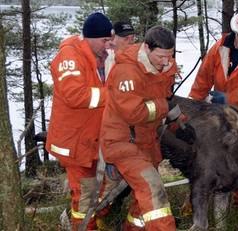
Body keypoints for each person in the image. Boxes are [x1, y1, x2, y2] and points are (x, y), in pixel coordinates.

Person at [100, 26, 183, 231]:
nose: (166, 61)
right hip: (123, 142)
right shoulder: (126, 71)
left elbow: (165, 100)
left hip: (146, 141)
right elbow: (134, 112)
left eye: (170, 56)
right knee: (153, 189)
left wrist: (178, 121)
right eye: (161, 56)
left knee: (142, 201)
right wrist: (164, 106)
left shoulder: (165, 67)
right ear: (146, 48)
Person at [188, 5, 238, 207]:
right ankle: (195, 201)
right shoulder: (220, 48)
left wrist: (230, 102)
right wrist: (190, 114)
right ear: (236, 31)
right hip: (219, 119)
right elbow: (202, 83)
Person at [46, 12, 117, 230]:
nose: (108, 45)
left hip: (94, 139)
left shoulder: (100, 55)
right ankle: (85, 226)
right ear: (91, 37)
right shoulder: (69, 56)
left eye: (110, 40)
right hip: (74, 142)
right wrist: (112, 95)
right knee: (85, 194)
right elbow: (75, 95)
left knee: (104, 185)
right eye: (105, 40)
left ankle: (97, 218)